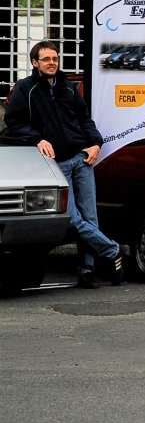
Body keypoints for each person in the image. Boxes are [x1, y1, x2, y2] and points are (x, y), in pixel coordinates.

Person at [4, 40, 124, 288]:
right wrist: (37, 139)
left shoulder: (67, 87)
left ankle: (87, 270)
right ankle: (111, 250)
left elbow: (85, 119)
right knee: (72, 218)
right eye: (46, 59)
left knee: (90, 217)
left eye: (55, 58)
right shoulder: (26, 89)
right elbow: (14, 122)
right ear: (35, 62)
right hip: (56, 164)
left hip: (82, 158)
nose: (52, 63)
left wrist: (96, 143)